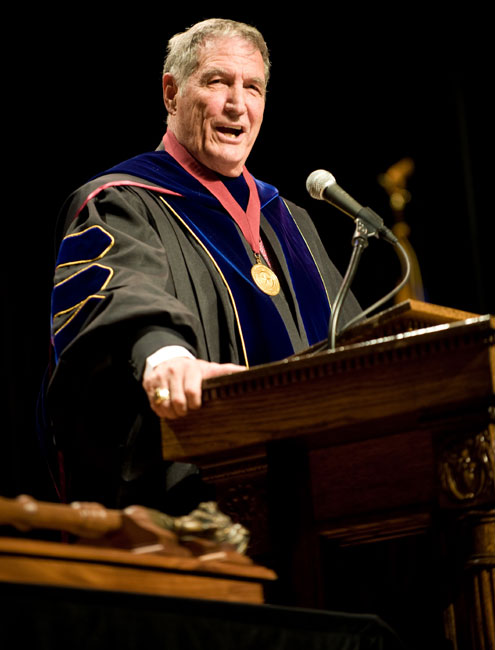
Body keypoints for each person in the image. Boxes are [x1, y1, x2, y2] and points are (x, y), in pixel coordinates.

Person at [45, 18, 360, 514]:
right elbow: (117, 291)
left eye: (252, 87)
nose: (238, 104)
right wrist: (164, 356)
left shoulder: (290, 222)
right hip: (196, 502)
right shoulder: (121, 202)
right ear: (171, 94)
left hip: (323, 498)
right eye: (218, 82)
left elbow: (353, 343)